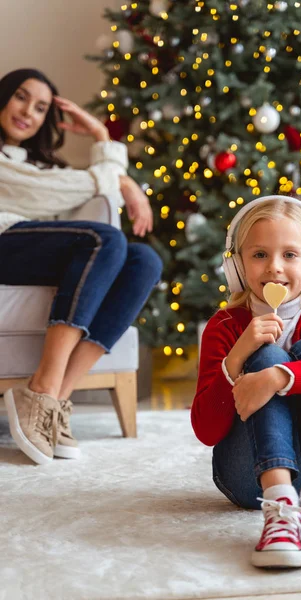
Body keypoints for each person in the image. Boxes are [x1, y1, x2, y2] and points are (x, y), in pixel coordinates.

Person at [191, 195, 301, 569]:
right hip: (246, 479)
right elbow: (205, 429)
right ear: (237, 266)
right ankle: (280, 506)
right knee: (267, 354)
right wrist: (238, 357)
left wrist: (278, 378)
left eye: (290, 255)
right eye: (259, 255)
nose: (274, 267)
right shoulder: (225, 326)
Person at [0, 68, 162, 465]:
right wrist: (109, 152)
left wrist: (109, 160)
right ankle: (41, 387)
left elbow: (80, 186)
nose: (28, 112)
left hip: (22, 246)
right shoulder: (12, 168)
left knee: (144, 260)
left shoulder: (39, 166)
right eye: (21, 97)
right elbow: (77, 187)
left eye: (40, 108)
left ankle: (55, 399)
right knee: (102, 237)